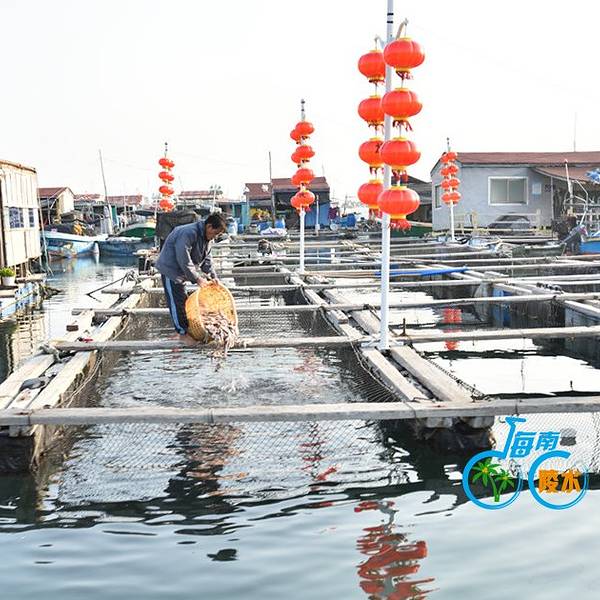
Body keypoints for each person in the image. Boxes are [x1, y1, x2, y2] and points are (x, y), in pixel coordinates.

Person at [155, 212, 227, 345]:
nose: (215, 237)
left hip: (182, 272)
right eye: (216, 233)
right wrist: (197, 279)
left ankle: (183, 330)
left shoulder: (207, 239)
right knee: (176, 302)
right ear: (209, 227)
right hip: (171, 269)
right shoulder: (188, 233)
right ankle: (181, 333)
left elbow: (207, 259)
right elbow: (183, 258)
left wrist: (213, 277)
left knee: (183, 300)